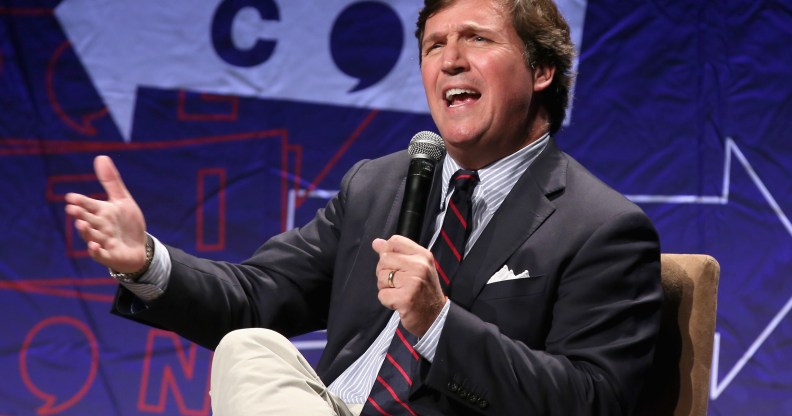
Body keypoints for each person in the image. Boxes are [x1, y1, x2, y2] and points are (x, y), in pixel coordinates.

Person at [65, 0, 663, 414]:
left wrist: (437, 322)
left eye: (476, 39)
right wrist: (146, 262)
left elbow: (592, 401)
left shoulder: (601, 228)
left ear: (541, 70)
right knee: (249, 347)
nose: (449, 59)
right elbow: (256, 297)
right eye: (434, 46)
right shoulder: (378, 186)